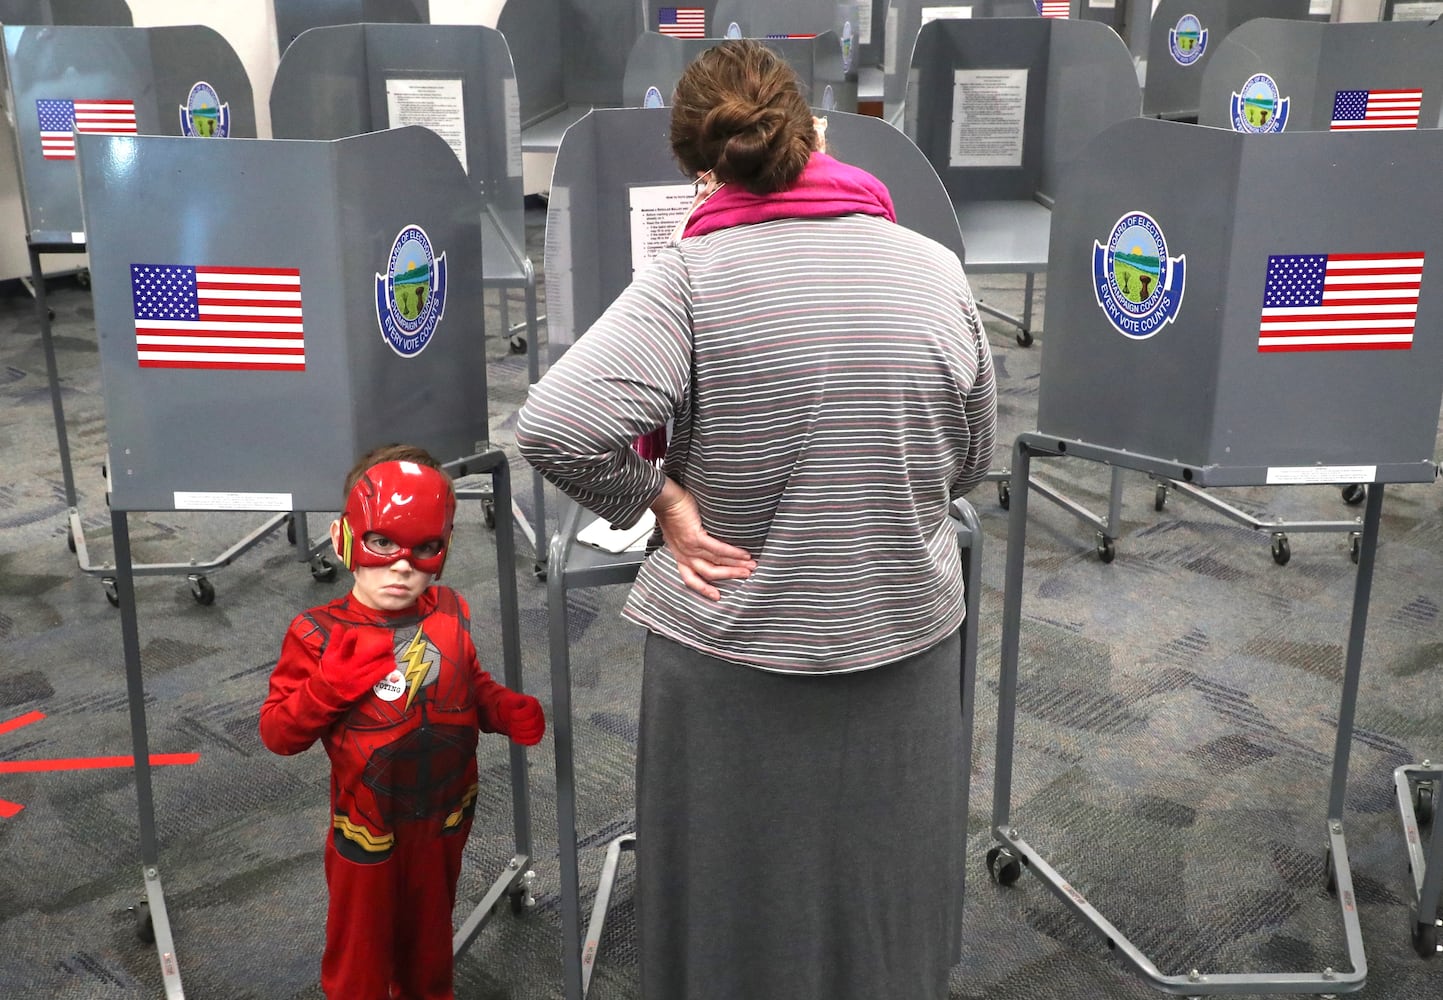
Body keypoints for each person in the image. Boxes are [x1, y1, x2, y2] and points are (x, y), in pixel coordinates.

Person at [516, 39, 996, 1000]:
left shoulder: (690, 277)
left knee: (738, 905)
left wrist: (662, 501)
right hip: (902, 630)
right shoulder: (934, 267)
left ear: (700, 167)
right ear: (812, 133)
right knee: (883, 890)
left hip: (733, 644)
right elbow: (971, 459)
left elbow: (554, 427)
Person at [258, 444, 545, 1000]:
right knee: (360, 957)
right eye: (383, 542)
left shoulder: (450, 610)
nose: (402, 566)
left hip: (445, 817)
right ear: (344, 538)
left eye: (425, 548)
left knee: (429, 945)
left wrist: (499, 707)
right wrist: (326, 688)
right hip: (367, 826)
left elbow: (465, 682)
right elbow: (278, 734)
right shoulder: (318, 633)